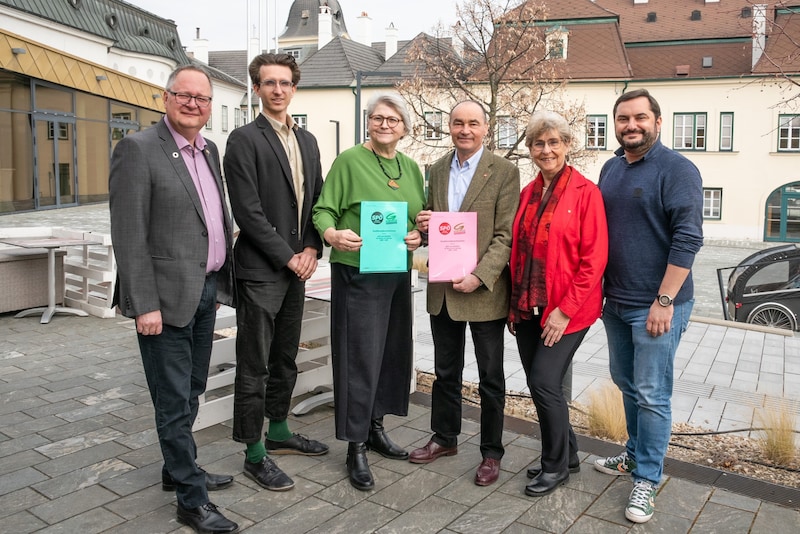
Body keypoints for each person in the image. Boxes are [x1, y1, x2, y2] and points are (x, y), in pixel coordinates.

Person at [109, 65, 238, 534]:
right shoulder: (138, 150)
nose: (193, 104)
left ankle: (175, 469)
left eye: (202, 98)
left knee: (192, 389)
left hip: (205, 292)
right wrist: (143, 304)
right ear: (165, 98)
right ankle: (190, 498)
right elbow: (128, 235)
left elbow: (210, 220)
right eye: (183, 95)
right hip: (161, 300)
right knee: (171, 398)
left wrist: (221, 283)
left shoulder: (210, 151)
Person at [593, 88, 703, 524]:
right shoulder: (611, 167)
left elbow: (688, 238)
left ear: (658, 121)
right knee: (626, 381)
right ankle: (635, 455)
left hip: (656, 305)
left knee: (653, 393)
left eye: (640, 117)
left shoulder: (677, 170)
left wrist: (664, 300)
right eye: (623, 119)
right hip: (615, 301)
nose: (631, 125)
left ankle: (648, 478)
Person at [223, 53, 328, 492]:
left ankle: (280, 432)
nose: (278, 90)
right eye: (269, 83)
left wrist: (311, 247)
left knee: (286, 356)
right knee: (254, 364)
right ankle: (253, 452)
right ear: (258, 88)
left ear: (294, 88)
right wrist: (289, 256)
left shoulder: (307, 141)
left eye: (285, 83)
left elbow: (316, 202)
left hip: (295, 268)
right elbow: (247, 212)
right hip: (262, 271)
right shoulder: (243, 139)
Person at [312, 92, 425, 491]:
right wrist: (332, 234)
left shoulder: (411, 168)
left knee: (390, 355)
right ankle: (355, 445)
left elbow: (417, 218)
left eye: (393, 120)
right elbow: (322, 209)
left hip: (395, 274)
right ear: (369, 123)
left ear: (405, 128)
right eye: (378, 118)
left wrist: (417, 234)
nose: (385, 125)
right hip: (357, 273)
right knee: (358, 358)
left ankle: (375, 427)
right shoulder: (349, 161)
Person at [411, 100, 520, 487]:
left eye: (473, 123)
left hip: (483, 290)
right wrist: (423, 223)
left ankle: (491, 452)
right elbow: (434, 222)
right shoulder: (438, 169)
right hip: (443, 288)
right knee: (445, 372)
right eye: (458, 123)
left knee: (491, 377)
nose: (465, 130)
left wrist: (480, 275)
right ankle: (445, 437)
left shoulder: (506, 171)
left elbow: (506, 235)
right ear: (450, 127)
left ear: (486, 128)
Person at [507, 111, 608, 497]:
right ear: (530, 149)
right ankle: (569, 455)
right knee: (540, 387)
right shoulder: (526, 194)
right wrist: (512, 306)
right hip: (527, 306)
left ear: (567, 145)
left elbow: (593, 260)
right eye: (538, 143)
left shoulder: (586, 193)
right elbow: (518, 251)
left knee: (545, 383)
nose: (546, 149)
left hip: (568, 310)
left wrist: (564, 311)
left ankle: (554, 467)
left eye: (553, 142)